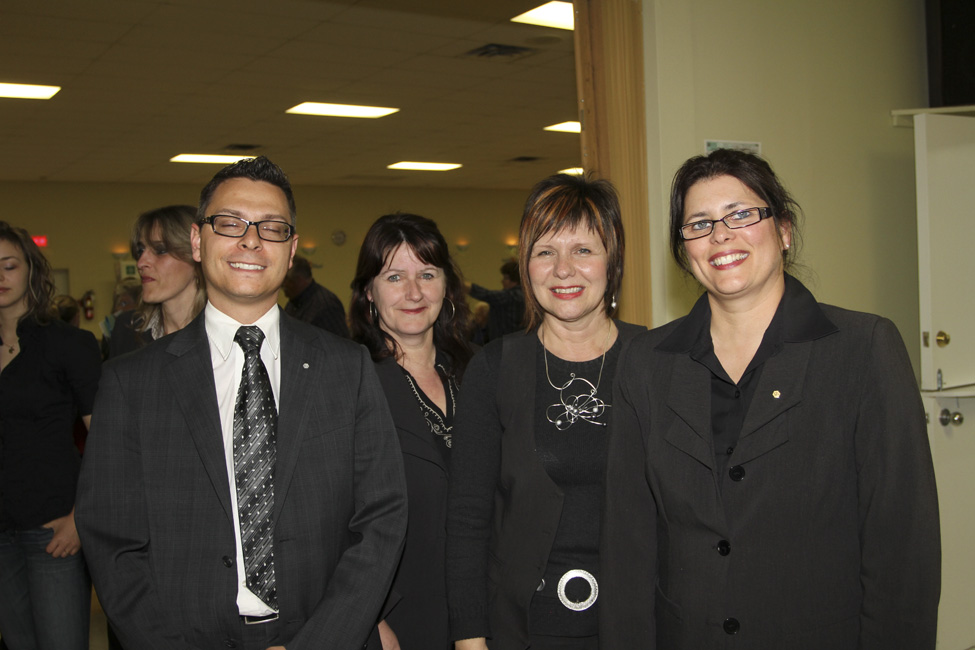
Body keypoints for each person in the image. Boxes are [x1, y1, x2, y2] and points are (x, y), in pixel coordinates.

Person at [601, 149, 941, 650]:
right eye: (699, 224)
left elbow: (902, 548)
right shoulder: (647, 363)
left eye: (741, 214)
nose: (721, 235)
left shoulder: (862, 348)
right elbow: (628, 547)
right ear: (684, 250)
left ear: (783, 230)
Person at [76, 156, 408, 650]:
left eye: (272, 228)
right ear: (197, 240)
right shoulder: (131, 384)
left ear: (291, 250)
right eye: (229, 224)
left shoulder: (347, 368)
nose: (251, 240)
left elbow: (381, 517)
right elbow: (113, 543)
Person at [446, 174, 645, 650]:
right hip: (524, 628)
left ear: (612, 259)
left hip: (639, 623)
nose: (563, 269)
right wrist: (470, 639)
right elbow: (468, 519)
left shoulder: (656, 361)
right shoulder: (494, 368)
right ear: (526, 265)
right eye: (545, 251)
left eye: (583, 250)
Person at [349, 212, 475, 650]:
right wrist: (372, 616)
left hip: (483, 608)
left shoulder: (481, 373)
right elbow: (328, 519)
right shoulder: (348, 384)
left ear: (447, 285)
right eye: (394, 277)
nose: (414, 292)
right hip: (398, 616)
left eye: (427, 274)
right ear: (369, 291)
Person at [0, 221, 102, 650]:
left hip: (54, 526)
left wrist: (81, 518)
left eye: (8, 266)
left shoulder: (69, 344)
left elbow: (105, 443)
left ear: (30, 271)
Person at [109, 204, 206, 357]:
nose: (141, 263)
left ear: (196, 255)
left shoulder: (226, 331)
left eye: (160, 250)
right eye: (140, 251)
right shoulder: (127, 328)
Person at [281, 255, 350, 338]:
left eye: (286, 280)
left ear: (299, 280)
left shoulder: (326, 305)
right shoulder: (293, 302)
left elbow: (340, 345)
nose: (282, 285)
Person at [467, 259, 525, 342]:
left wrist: (464, 286)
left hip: (509, 345)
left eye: (505, 278)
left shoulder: (513, 296)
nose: (502, 281)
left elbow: (486, 294)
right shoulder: (524, 296)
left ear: (514, 280)